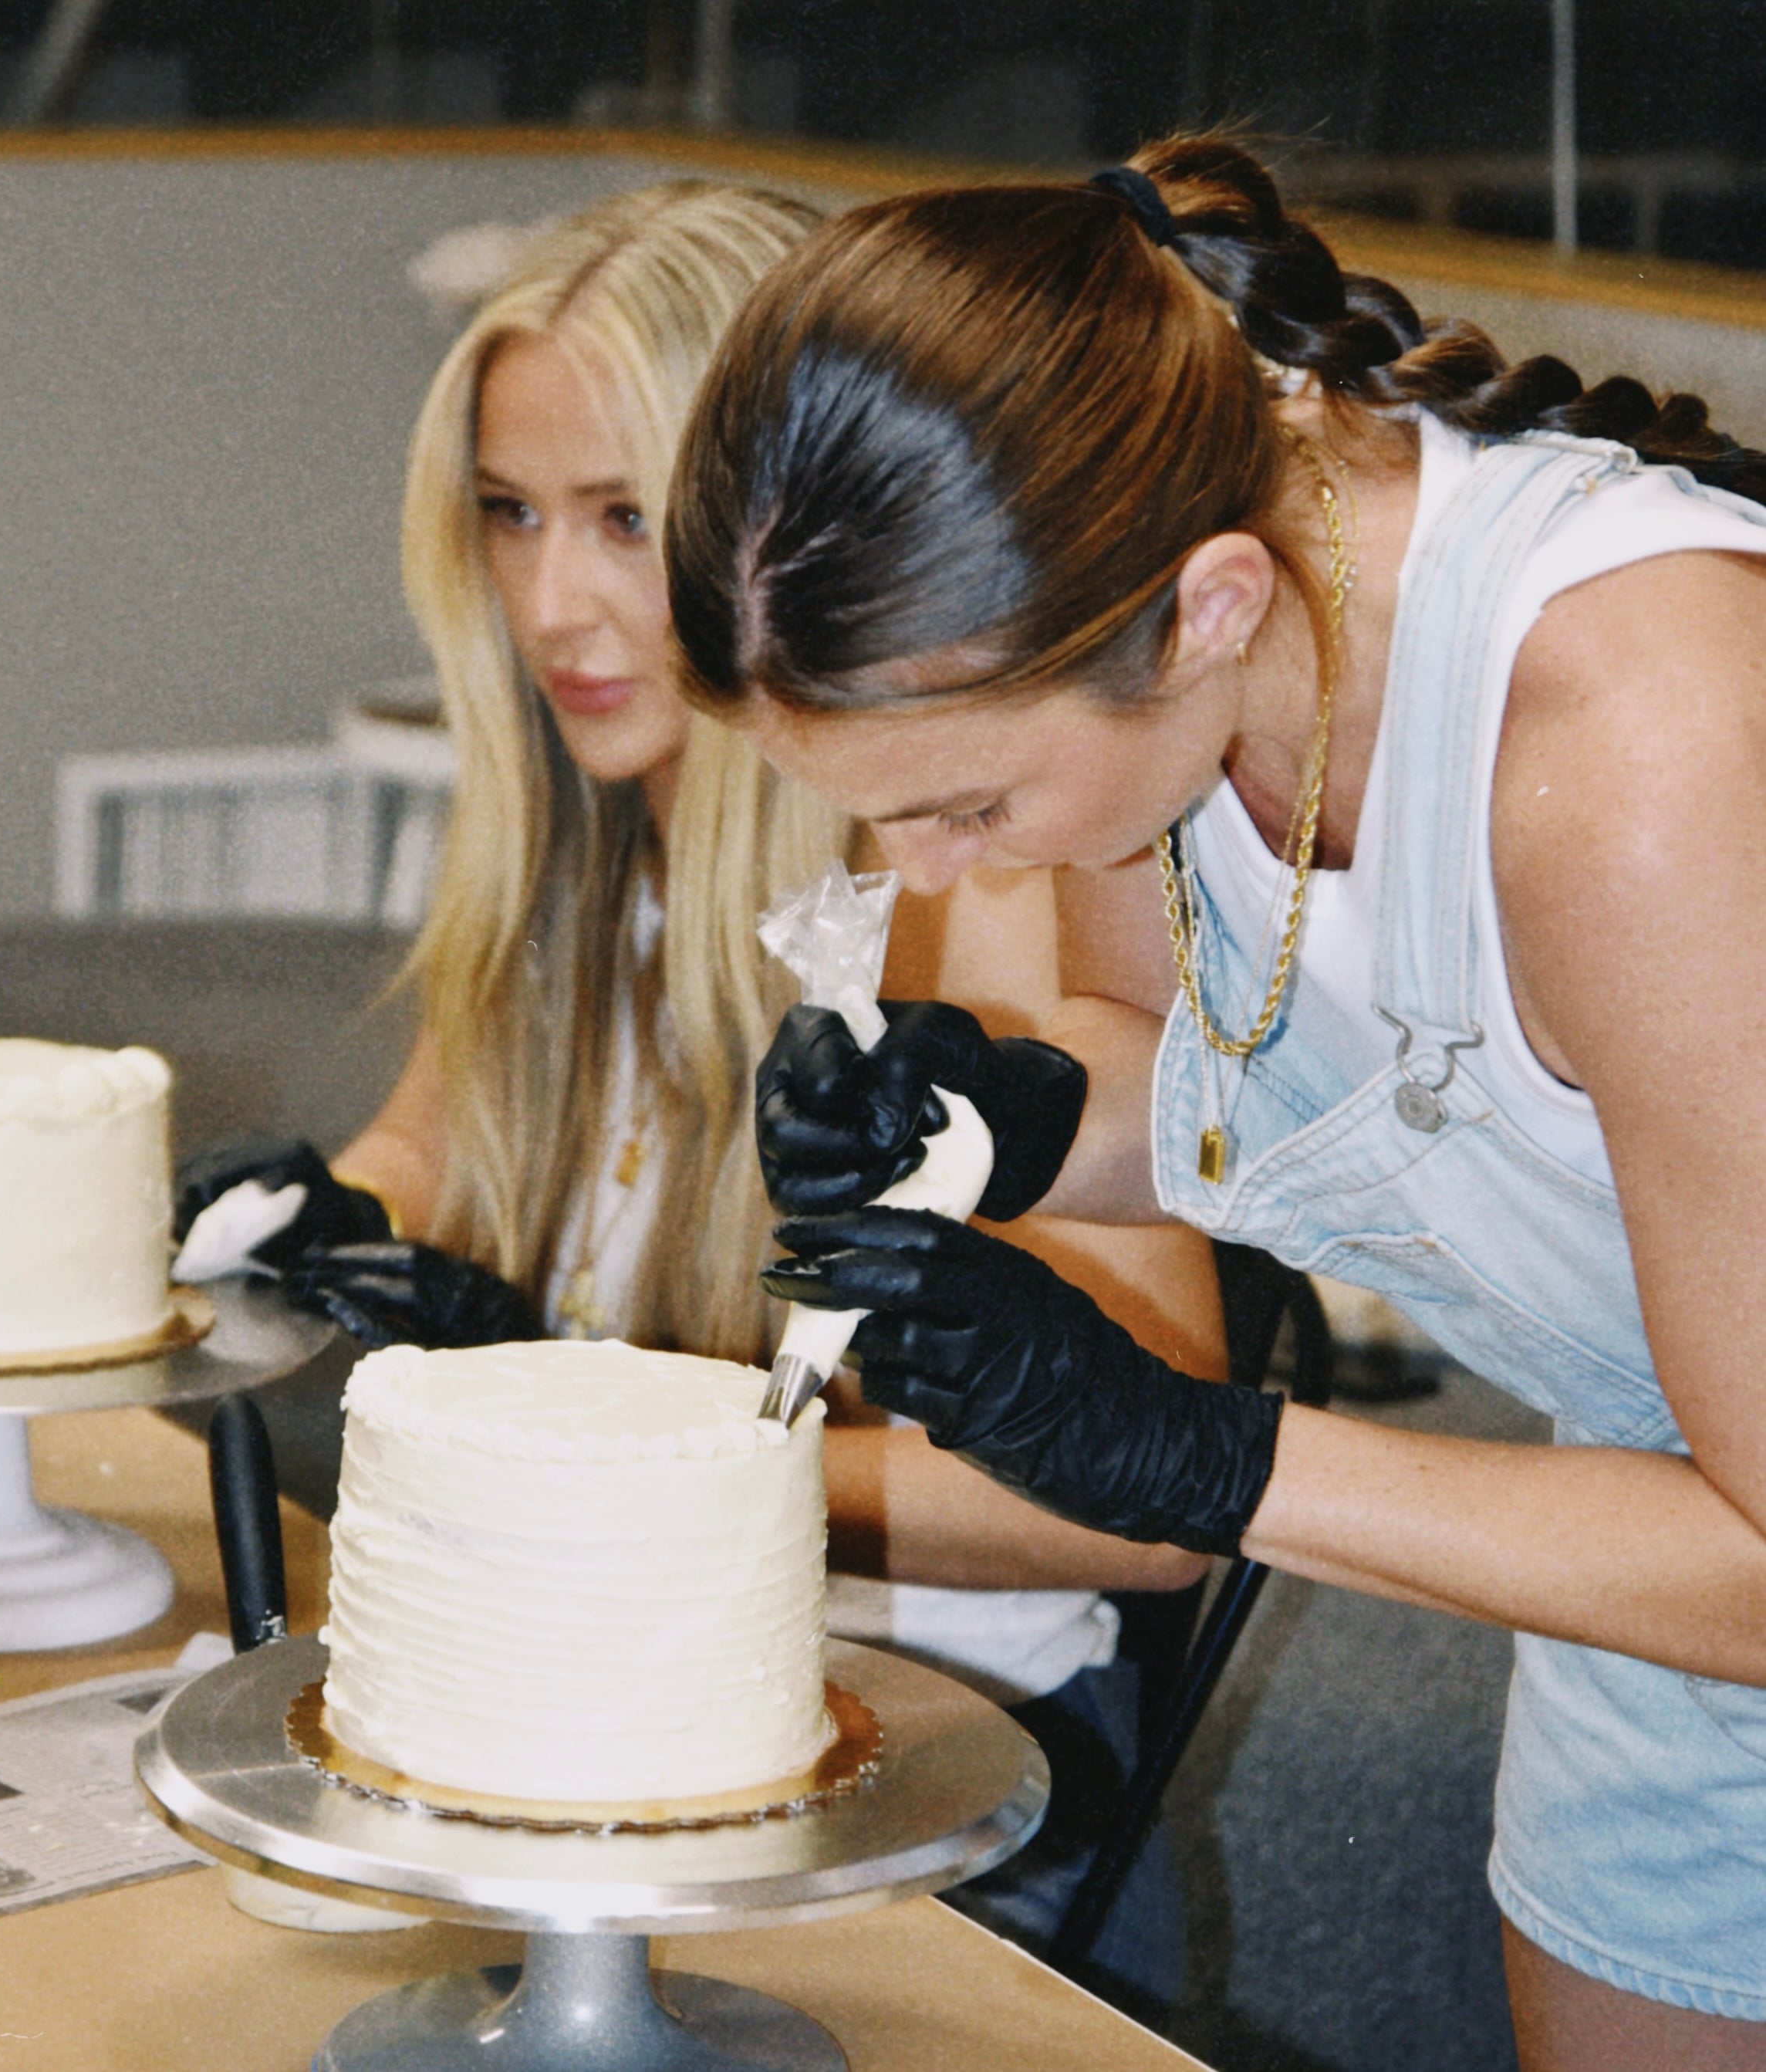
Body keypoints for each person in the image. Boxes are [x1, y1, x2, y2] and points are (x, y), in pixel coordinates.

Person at [663, 134, 1766, 2068]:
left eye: (966, 807)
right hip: (1644, 1573)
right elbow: (1199, 1074)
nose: (921, 865)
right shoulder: (1161, 684)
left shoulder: (1640, 756)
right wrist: (991, 1114)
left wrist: (1204, 1460)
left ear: (1210, 605)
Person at [171, 179, 1222, 2001]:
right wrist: (335, 1224)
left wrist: (658, 1436)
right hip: (603, 1727)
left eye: (619, 519)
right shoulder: (579, 837)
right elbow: (429, 1139)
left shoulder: (970, 893)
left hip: (934, 1781)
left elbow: (1142, 1503)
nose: (553, 601)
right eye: (507, 514)